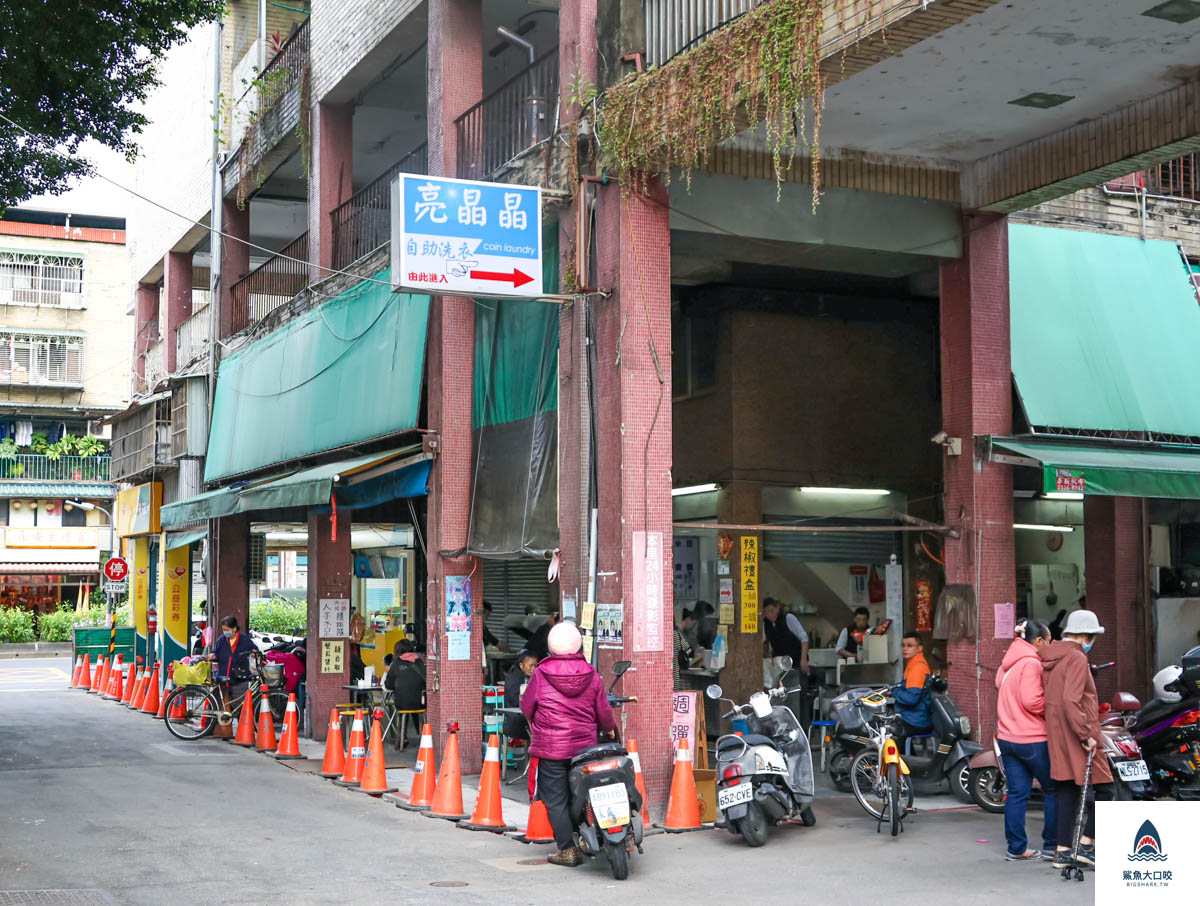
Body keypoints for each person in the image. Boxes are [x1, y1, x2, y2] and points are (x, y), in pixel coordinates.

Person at [521, 621, 617, 867]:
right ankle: (593, 836)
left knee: (556, 800)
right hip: (585, 748)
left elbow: (527, 707)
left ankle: (568, 849)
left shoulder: (541, 673)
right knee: (583, 792)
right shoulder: (591, 673)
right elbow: (603, 712)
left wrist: (538, 721)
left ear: (551, 646)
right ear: (578, 645)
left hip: (551, 749)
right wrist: (608, 728)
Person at [1041, 609, 1112, 870]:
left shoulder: (1053, 657)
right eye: (1093, 636)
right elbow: (1072, 700)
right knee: (1106, 789)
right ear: (1084, 635)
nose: (1093, 642)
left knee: (1067, 791)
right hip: (1079, 734)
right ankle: (1086, 844)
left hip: (1058, 733)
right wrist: (1087, 735)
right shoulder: (1076, 659)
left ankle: (1062, 852)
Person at [995, 618, 1057, 862]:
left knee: (1017, 793)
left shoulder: (1008, 663)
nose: (1050, 646)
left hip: (1008, 738)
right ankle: (1053, 845)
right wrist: (1052, 708)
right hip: (1032, 739)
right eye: (1049, 641)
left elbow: (999, 684)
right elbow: (1032, 700)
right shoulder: (1032, 662)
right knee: (1053, 789)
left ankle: (1017, 848)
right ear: (1038, 640)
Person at [762, 598, 810, 725]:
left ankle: (803, 729)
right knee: (783, 699)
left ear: (777, 608)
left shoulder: (788, 618)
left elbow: (804, 638)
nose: (770, 615)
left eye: (772, 611)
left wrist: (803, 659)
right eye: (767, 612)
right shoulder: (765, 623)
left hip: (796, 663)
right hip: (780, 666)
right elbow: (764, 642)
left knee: (799, 697)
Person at [891, 632, 933, 750]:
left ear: (919, 648)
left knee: (884, 730)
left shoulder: (917, 668)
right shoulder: (913, 664)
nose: (905, 649)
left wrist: (894, 692)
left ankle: (903, 763)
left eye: (910, 646)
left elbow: (911, 699)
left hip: (916, 720)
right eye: (903, 645)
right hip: (914, 717)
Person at [207, 616, 257, 704]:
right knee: (221, 704)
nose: (225, 632)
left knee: (239, 705)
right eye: (223, 630)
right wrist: (213, 656)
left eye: (227, 629)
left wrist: (254, 653)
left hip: (239, 678)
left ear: (234, 628)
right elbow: (216, 654)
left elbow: (254, 650)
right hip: (223, 676)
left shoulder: (245, 640)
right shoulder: (221, 640)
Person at [504, 650, 538, 741]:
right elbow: (517, 702)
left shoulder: (530, 678)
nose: (533, 669)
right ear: (521, 665)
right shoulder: (515, 680)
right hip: (517, 723)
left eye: (535, 665)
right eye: (531, 666)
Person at [383, 639, 425, 713]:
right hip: (420, 704)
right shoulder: (420, 662)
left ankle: (401, 724)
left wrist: (386, 672)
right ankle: (417, 724)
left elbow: (388, 686)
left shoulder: (396, 664)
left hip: (401, 704)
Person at [674, 610, 696, 691]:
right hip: (677, 673)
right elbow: (688, 650)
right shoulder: (677, 635)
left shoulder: (666, 634)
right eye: (693, 623)